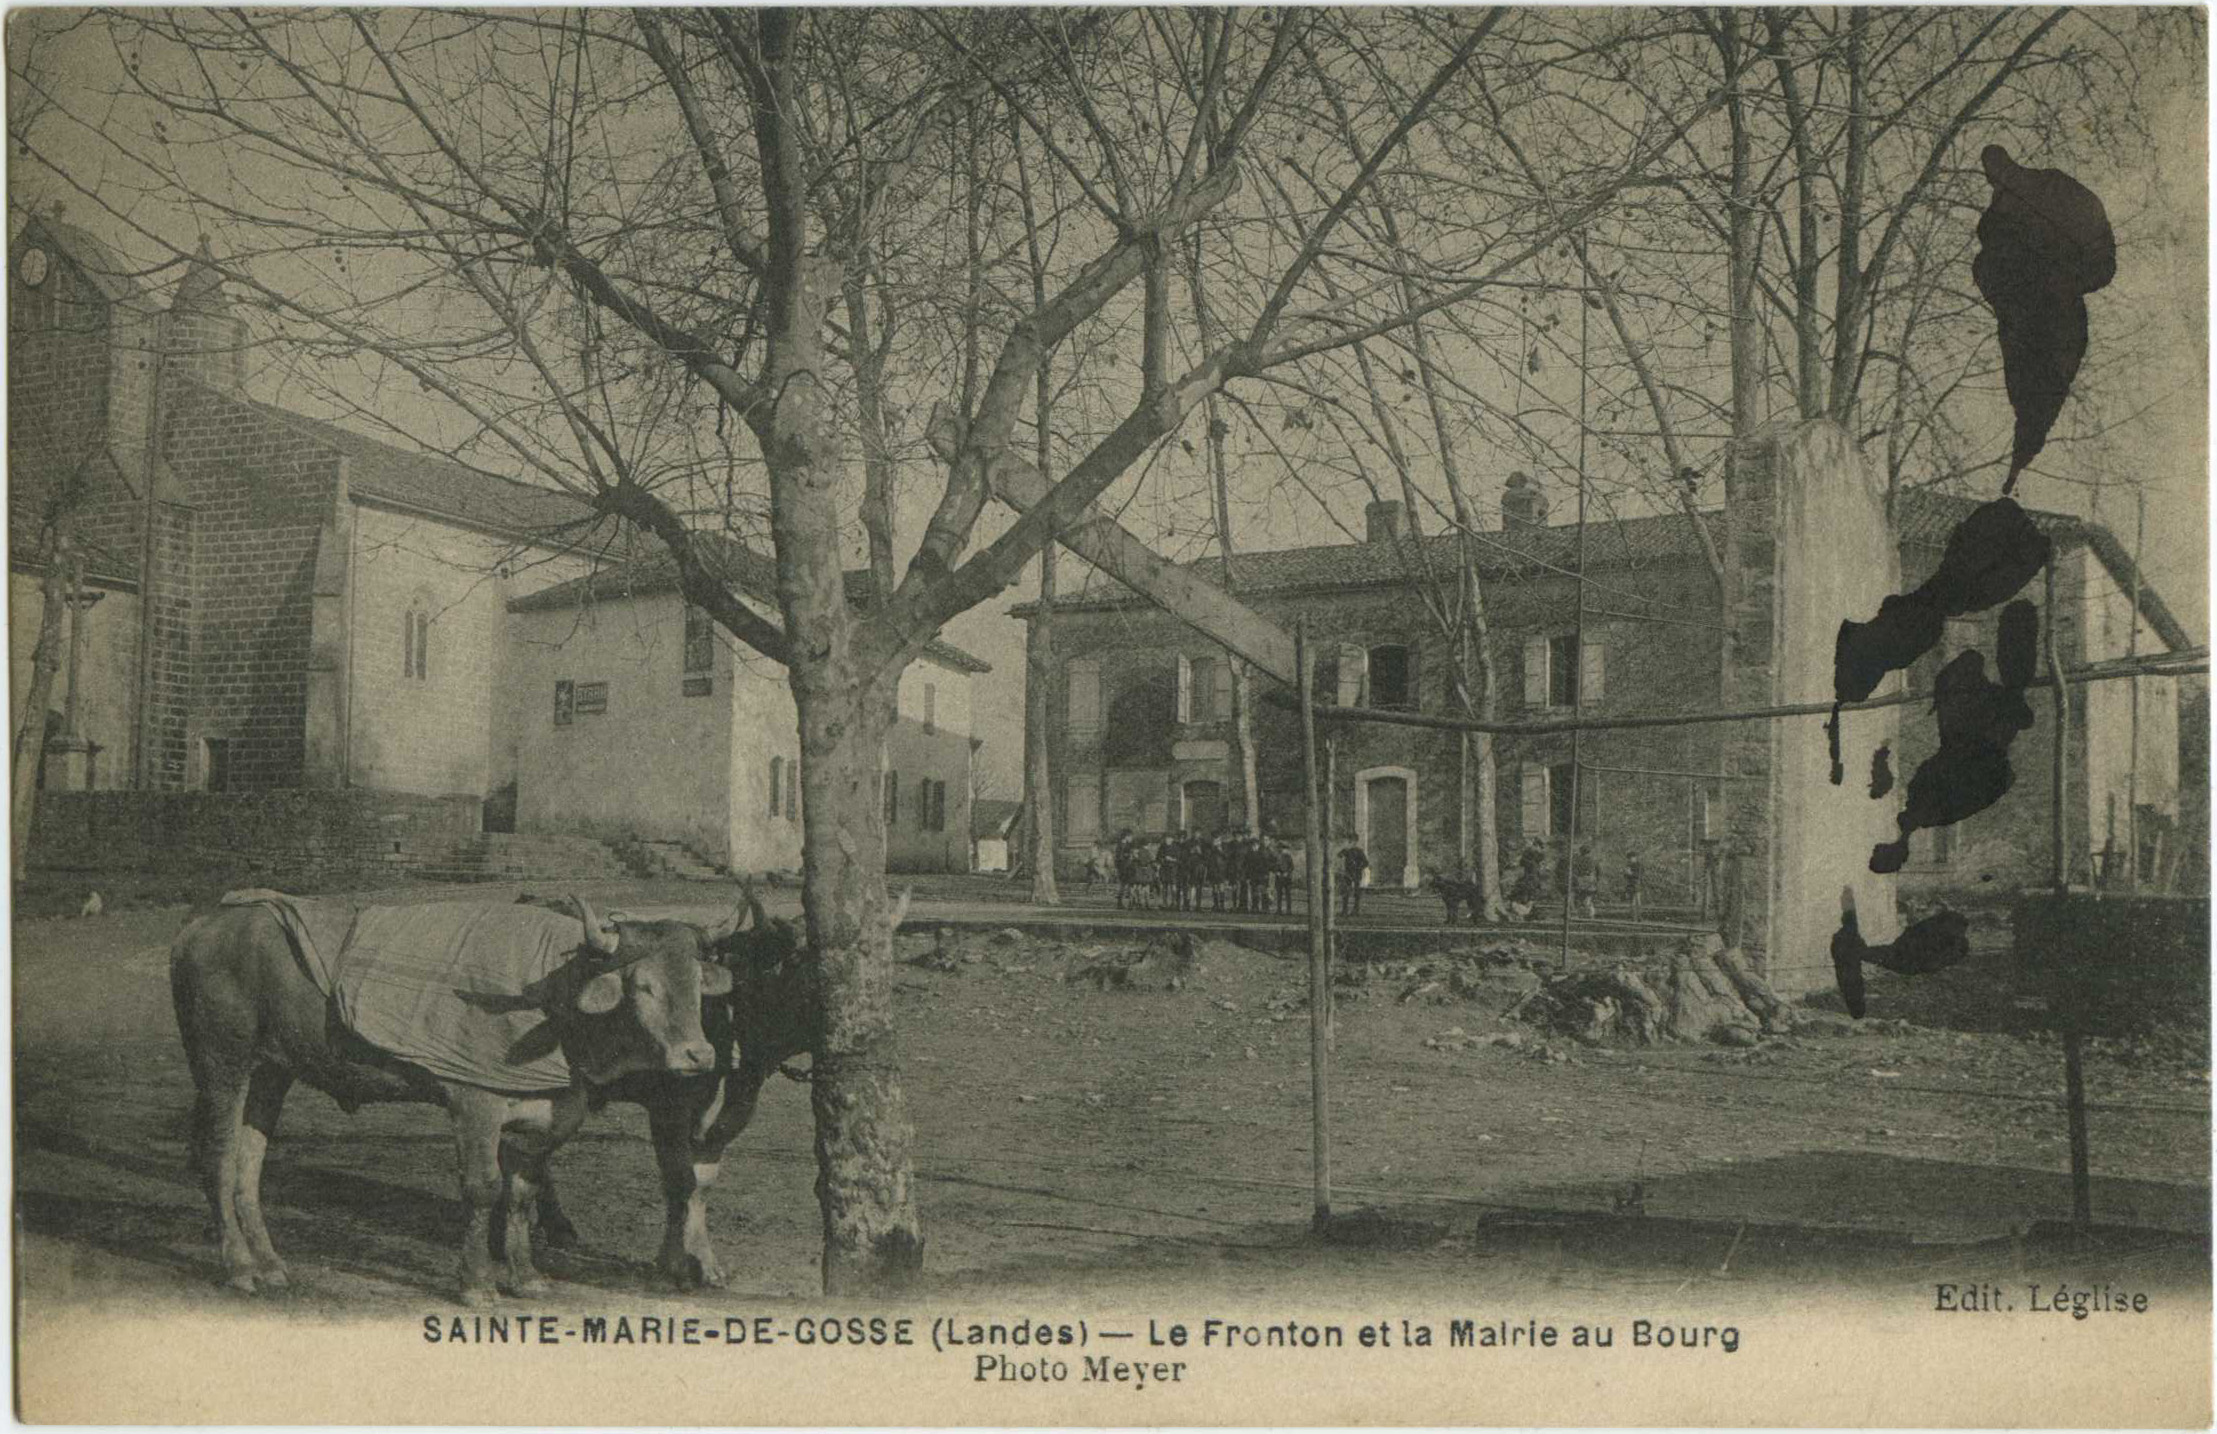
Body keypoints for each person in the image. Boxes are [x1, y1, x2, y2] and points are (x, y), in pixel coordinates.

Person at [1338, 843, 1369, 918]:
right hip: (1348, 874)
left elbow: (1366, 863)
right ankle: (1344, 910)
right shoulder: (1346, 851)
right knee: (1345, 892)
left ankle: (1356, 910)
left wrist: (1358, 867)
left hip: (1356, 874)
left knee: (1356, 893)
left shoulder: (1359, 851)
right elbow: (1339, 856)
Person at [1571, 843, 1599, 920]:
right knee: (1588, 899)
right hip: (1590, 880)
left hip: (1581, 880)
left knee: (1580, 899)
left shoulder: (1578, 860)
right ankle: (1590, 914)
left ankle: (1582, 915)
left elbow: (1575, 871)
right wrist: (1596, 880)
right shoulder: (1593, 860)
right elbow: (1598, 871)